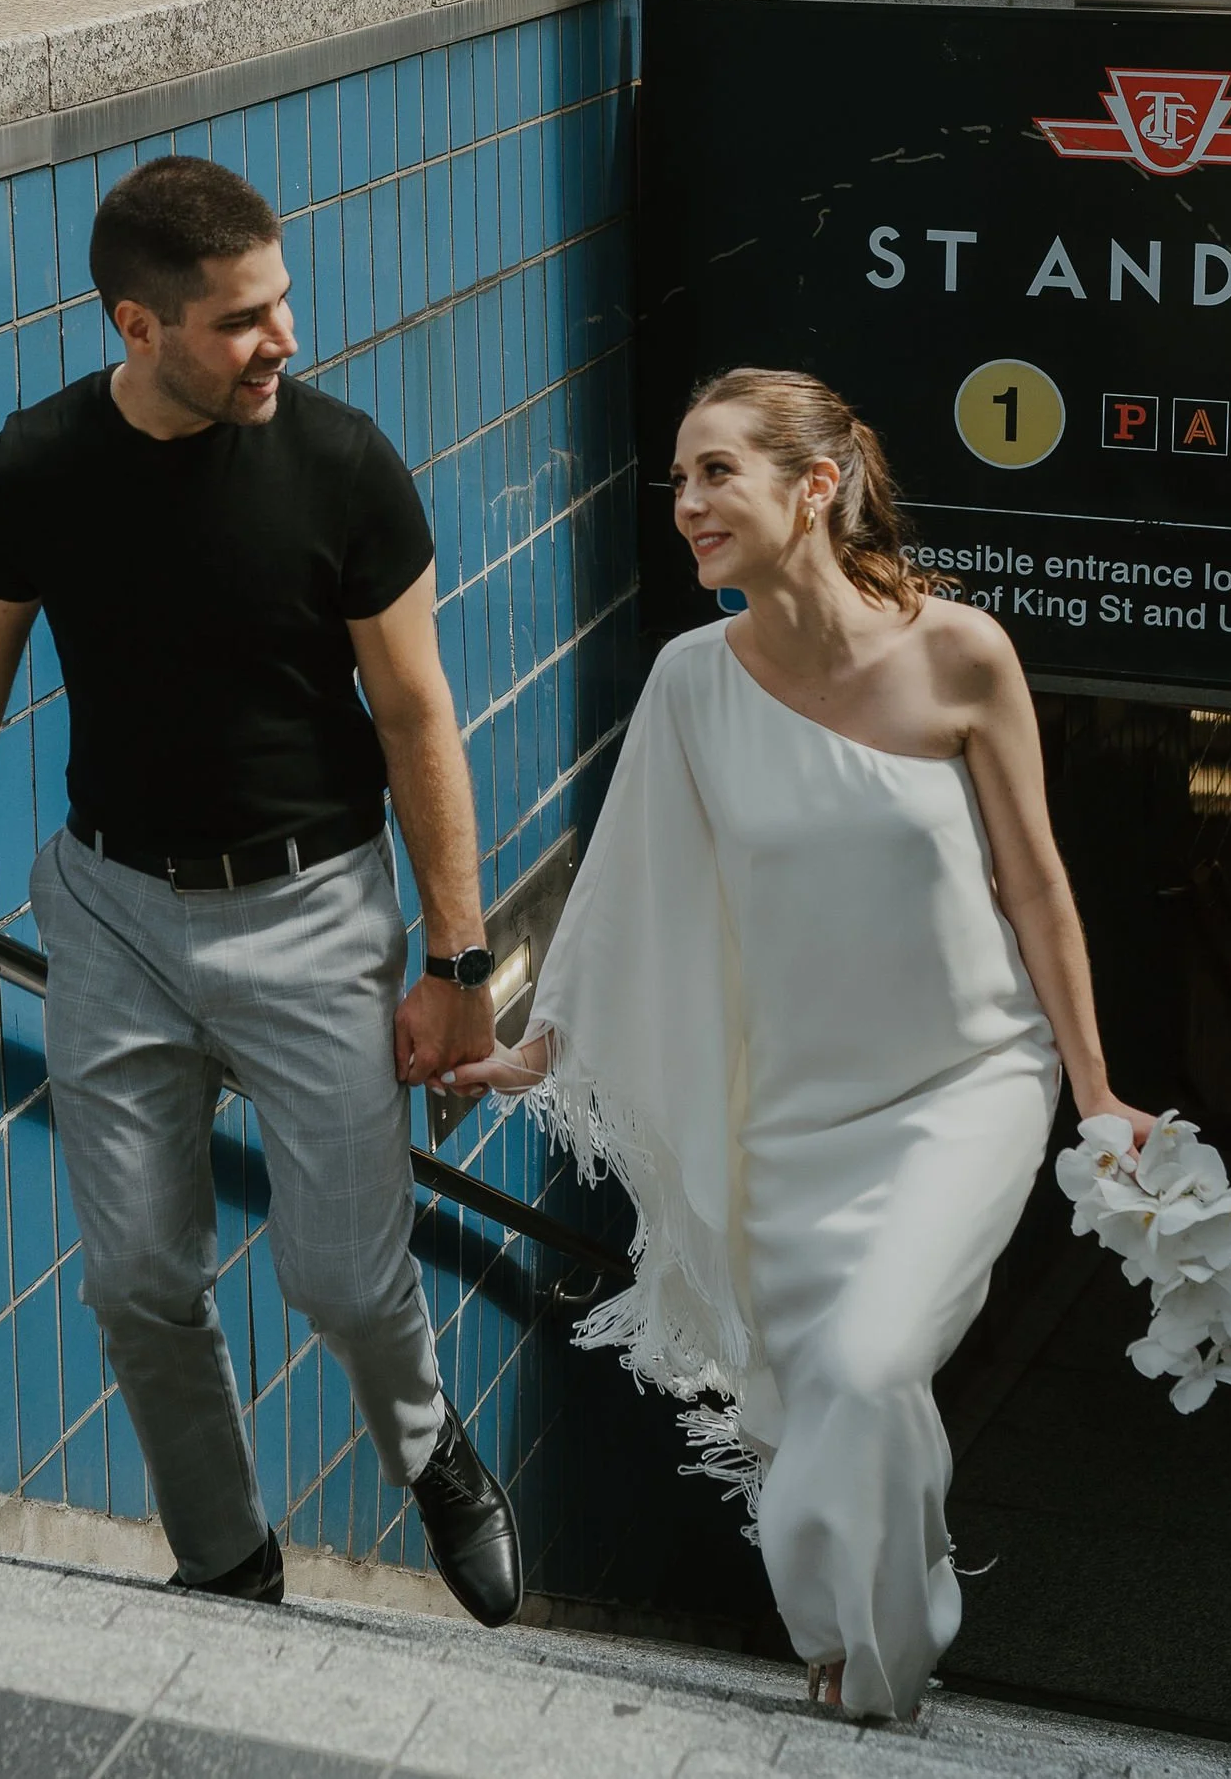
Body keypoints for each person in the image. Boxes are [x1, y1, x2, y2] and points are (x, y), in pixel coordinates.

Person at [0, 156, 522, 1624]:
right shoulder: (33, 469)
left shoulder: (345, 466)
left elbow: (418, 716)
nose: (284, 337)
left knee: (344, 1284)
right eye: (242, 320)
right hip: (111, 913)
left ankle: (430, 1449)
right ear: (137, 324)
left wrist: (458, 966)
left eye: (281, 301)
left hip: (313, 908)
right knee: (138, 1281)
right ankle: (226, 1555)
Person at [448, 368, 1152, 1721]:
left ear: (814, 485)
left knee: (871, 1363)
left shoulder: (961, 652)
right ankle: (841, 1633)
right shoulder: (690, 683)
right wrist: (541, 1050)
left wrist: (1100, 1088)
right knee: (807, 1403)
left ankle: (890, 1664)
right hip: (787, 1113)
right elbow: (627, 894)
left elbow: (1038, 886)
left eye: (718, 471)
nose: (688, 503)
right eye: (678, 479)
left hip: (968, 1081)